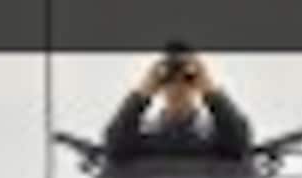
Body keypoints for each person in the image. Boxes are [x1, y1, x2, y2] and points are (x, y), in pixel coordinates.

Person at [103, 49, 252, 161]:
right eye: (169, 81)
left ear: (196, 87)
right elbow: (114, 146)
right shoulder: (142, 135)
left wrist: (210, 90)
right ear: (160, 88)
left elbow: (240, 142)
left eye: (186, 80)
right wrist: (142, 92)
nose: (178, 88)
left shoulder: (215, 135)